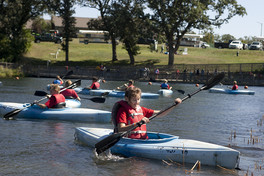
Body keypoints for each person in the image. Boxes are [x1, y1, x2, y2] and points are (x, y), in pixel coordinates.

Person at [112, 87, 182, 139]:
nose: (137, 102)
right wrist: (137, 124)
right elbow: (120, 129)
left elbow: (160, 113)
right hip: (129, 141)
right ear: (127, 99)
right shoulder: (123, 111)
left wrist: (174, 105)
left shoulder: (142, 109)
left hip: (143, 140)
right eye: (134, 100)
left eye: (138, 99)